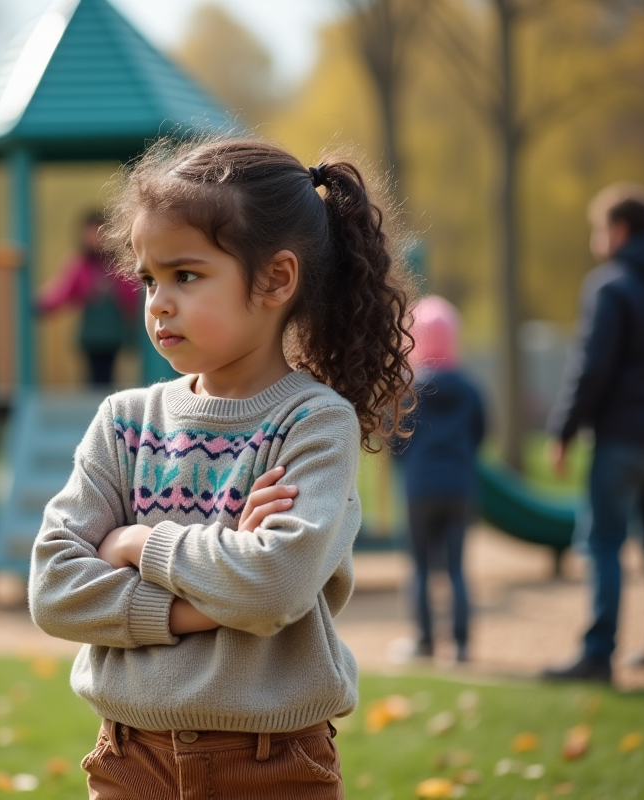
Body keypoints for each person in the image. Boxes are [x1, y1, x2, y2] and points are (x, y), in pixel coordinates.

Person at [29, 137, 414, 799]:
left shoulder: (314, 423)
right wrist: (205, 600)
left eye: (186, 275)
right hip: (128, 758)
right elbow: (53, 585)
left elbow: (272, 587)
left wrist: (133, 542)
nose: (157, 302)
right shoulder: (125, 422)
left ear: (276, 279)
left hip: (270, 765)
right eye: (149, 278)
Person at [542, 183, 644, 683]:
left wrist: (564, 429)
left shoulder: (609, 285)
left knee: (603, 541)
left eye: (598, 231)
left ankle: (597, 654)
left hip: (624, 437)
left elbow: (591, 369)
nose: (596, 241)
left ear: (618, 231)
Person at [393, 296, 485, 663]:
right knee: (457, 567)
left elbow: (394, 438)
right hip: (460, 486)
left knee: (419, 566)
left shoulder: (408, 391)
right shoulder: (469, 389)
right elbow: (480, 431)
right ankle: (462, 645)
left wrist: (409, 468)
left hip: (420, 488)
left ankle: (425, 640)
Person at [37, 210, 142, 386]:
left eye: (101, 232)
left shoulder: (119, 264)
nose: (96, 238)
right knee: (93, 374)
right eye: (91, 232)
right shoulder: (80, 264)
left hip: (113, 329)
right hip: (91, 331)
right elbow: (62, 291)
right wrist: (41, 304)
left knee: (109, 372)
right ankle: (95, 405)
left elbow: (133, 292)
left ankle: (107, 402)